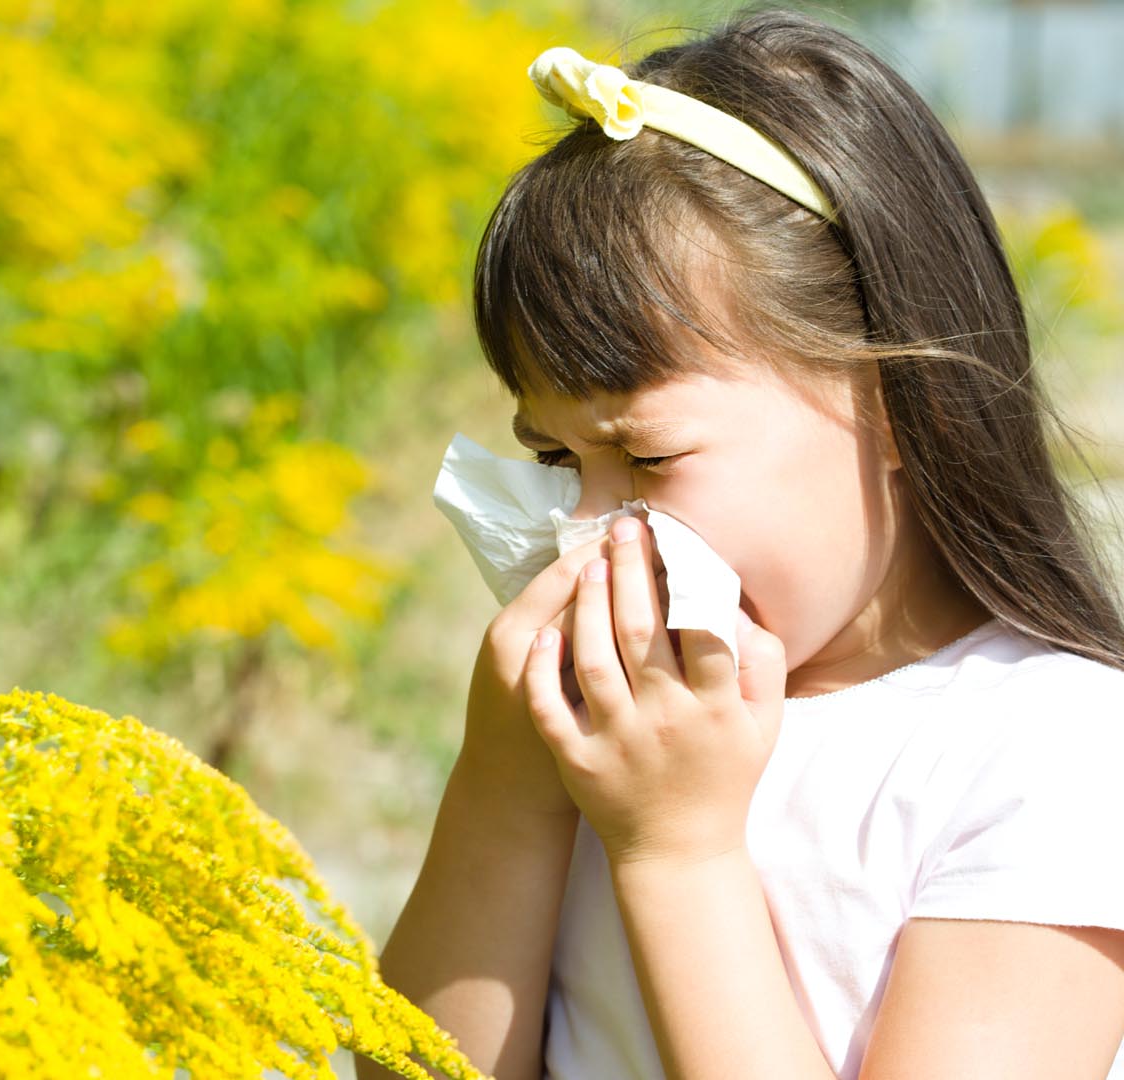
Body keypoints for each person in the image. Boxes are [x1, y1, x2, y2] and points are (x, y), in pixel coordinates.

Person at [353, 6, 1124, 1080]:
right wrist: (503, 784)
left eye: (650, 459)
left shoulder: (1052, 749)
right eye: (556, 461)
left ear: (900, 408)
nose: (588, 530)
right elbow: (407, 1069)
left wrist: (678, 852)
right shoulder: (601, 719)